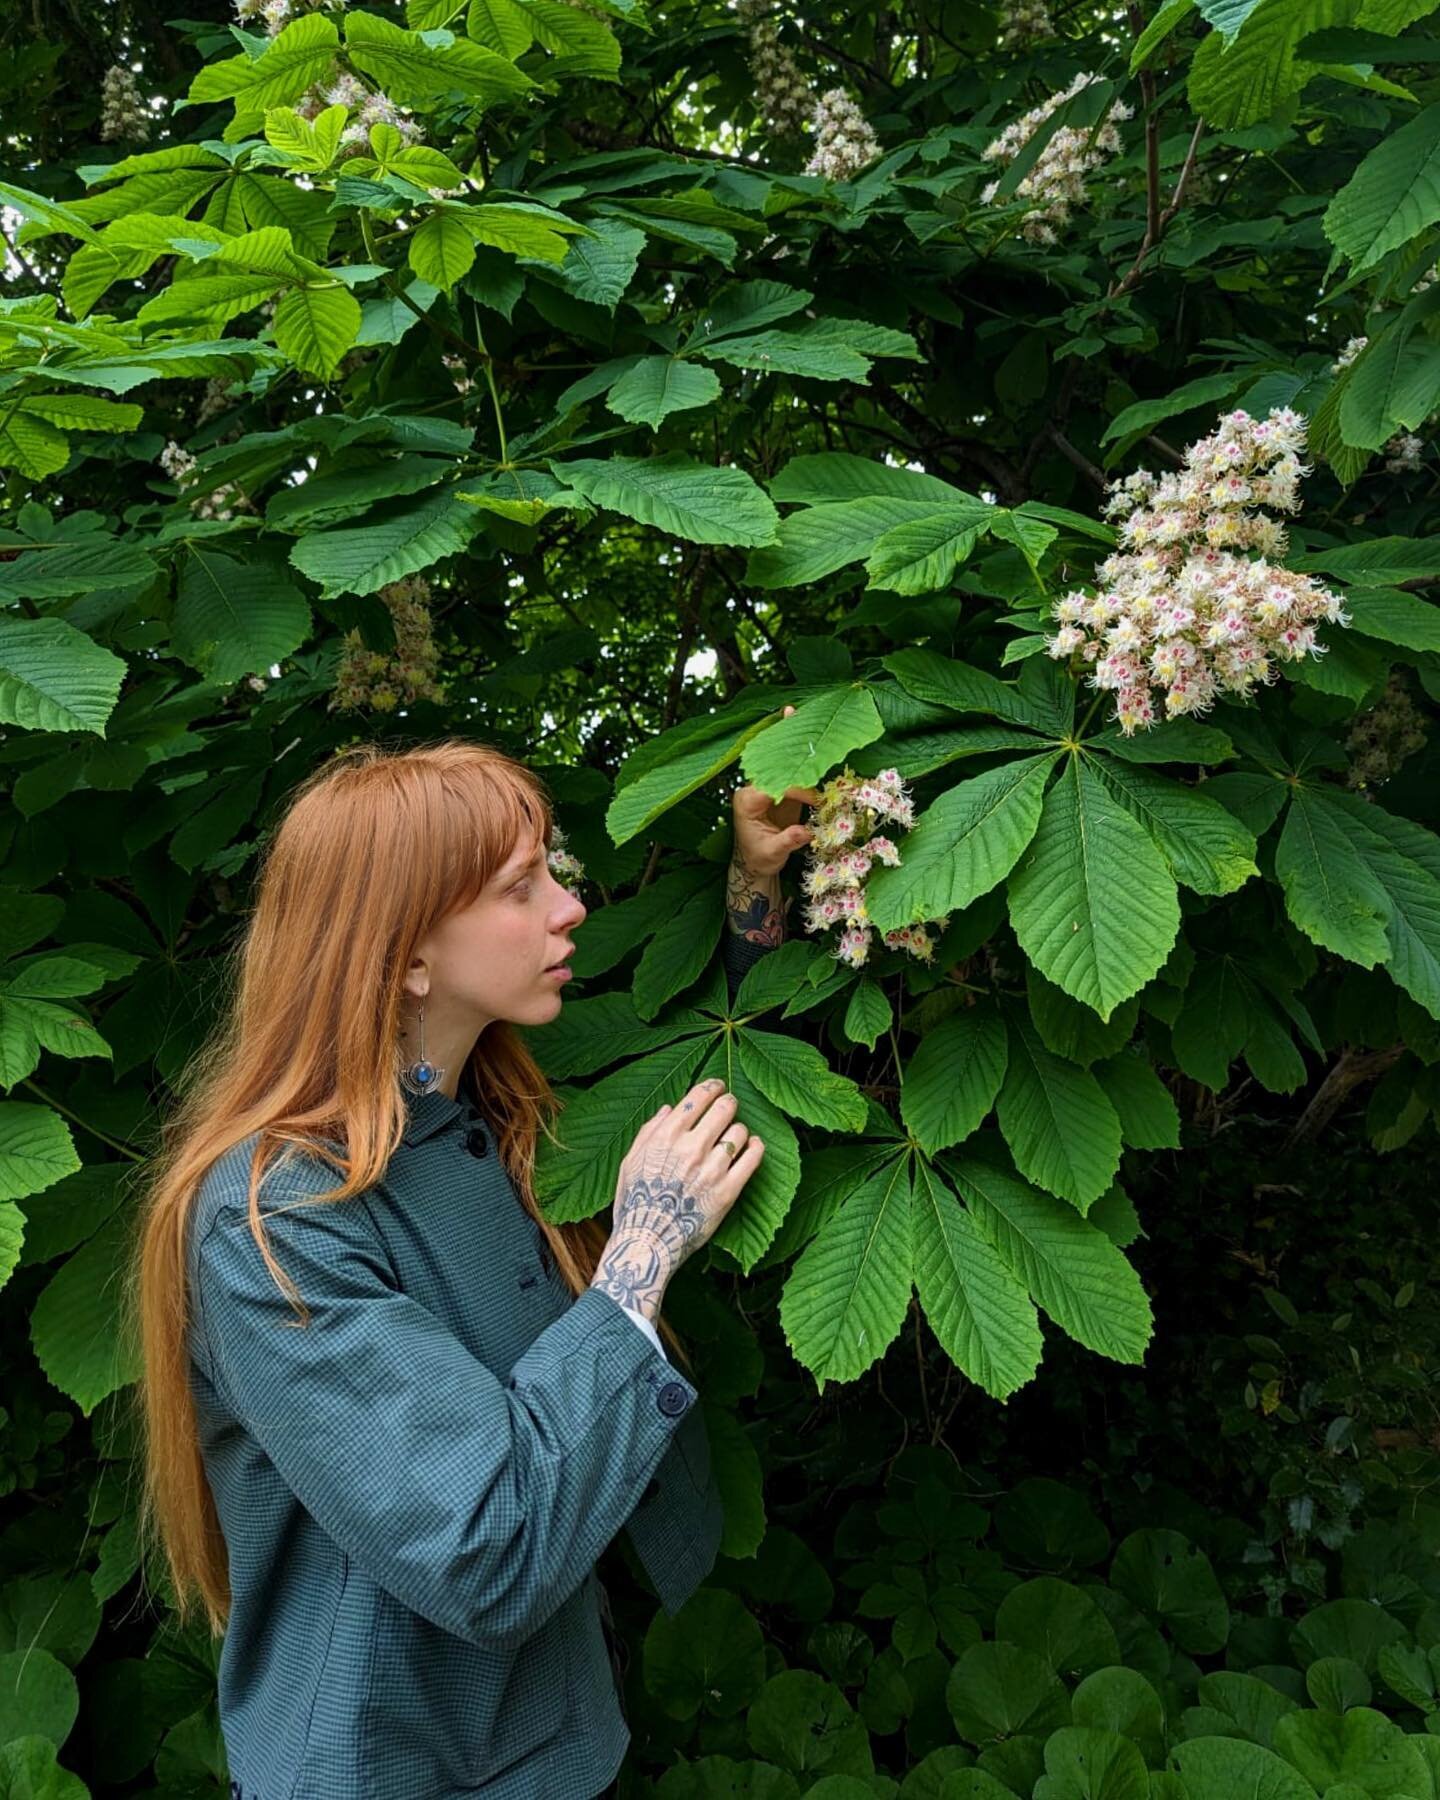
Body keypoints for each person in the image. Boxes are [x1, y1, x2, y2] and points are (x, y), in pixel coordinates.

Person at [130, 730, 819, 1800]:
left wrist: (755, 889)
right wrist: (638, 1254)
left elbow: (700, 1064)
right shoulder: (274, 1221)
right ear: (404, 954)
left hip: (553, 1741)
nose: (567, 909)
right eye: (518, 887)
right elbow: (485, 1546)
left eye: (552, 871)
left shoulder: (485, 1105)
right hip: (388, 1766)